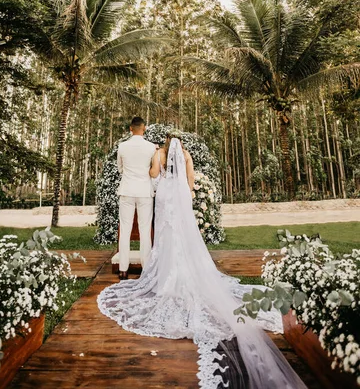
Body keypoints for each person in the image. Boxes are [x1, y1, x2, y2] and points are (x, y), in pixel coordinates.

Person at [99, 130, 306, 388]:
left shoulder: (158, 153)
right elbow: (191, 181)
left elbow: (153, 175)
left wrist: (159, 173)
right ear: (180, 143)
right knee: (183, 236)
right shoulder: (185, 155)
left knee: (165, 235)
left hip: (164, 196)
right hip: (180, 197)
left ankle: (165, 275)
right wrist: (185, 194)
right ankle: (185, 270)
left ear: (165, 142)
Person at [116, 116, 156, 280]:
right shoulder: (151, 148)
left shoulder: (122, 146)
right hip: (145, 192)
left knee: (124, 230)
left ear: (130, 129)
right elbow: (153, 171)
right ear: (144, 128)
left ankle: (123, 270)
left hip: (126, 190)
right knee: (145, 230)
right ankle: (145, 269)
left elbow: (120, 169)